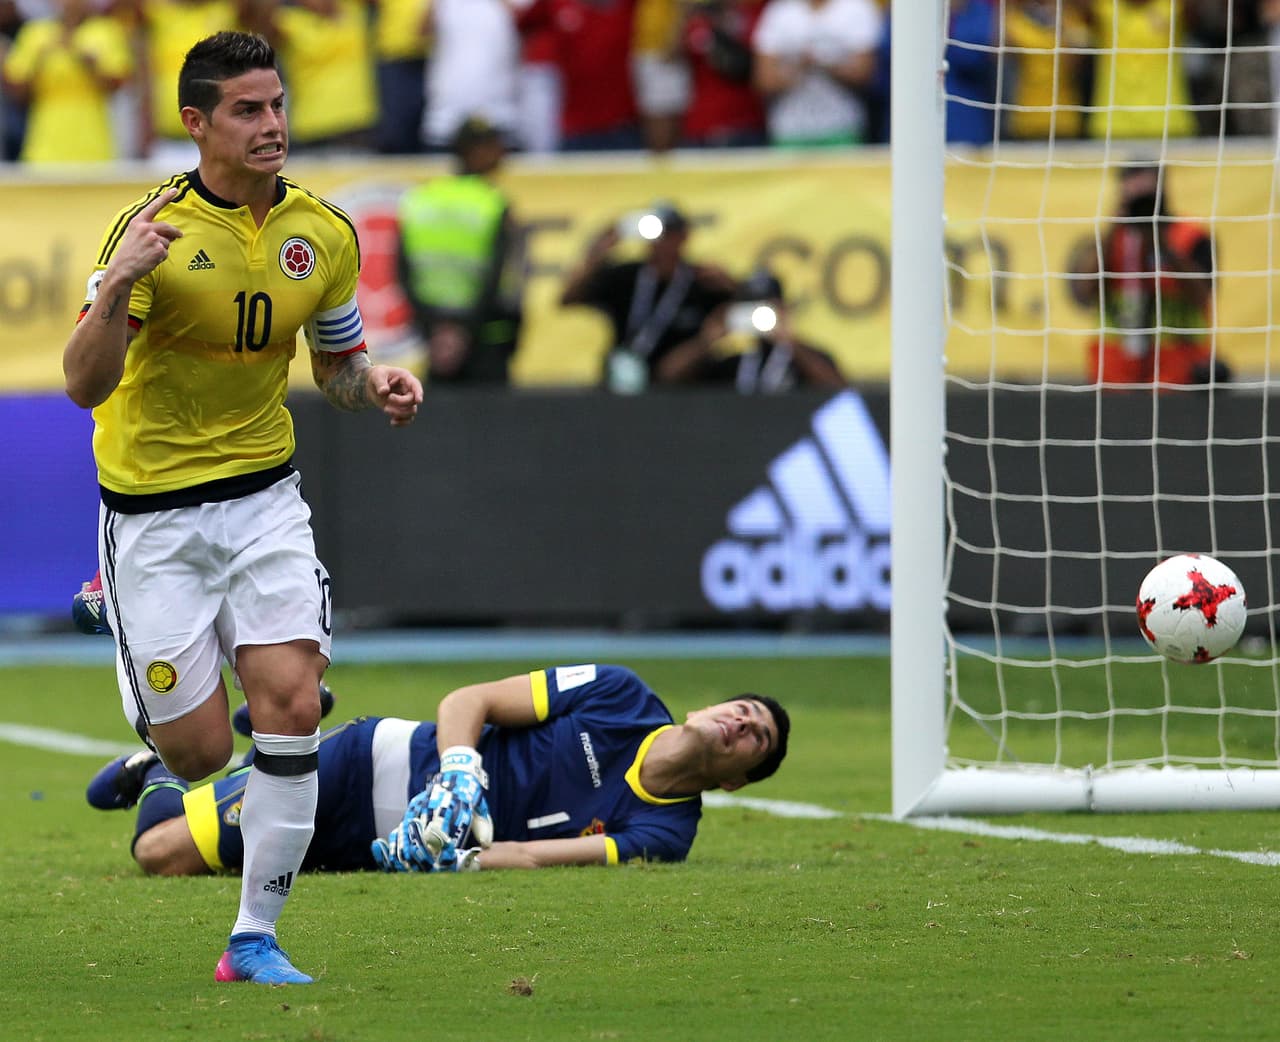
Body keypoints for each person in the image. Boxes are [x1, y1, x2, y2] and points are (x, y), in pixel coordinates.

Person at [61, 31, 424, 986]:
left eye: (277, 106)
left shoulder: (325, 234)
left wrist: (374, 382)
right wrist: (123, 284)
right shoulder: (151, 233)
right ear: (198, 123)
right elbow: (83, 384)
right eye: (248, 111)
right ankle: (125, 627)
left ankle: (253, 940)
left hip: (265, 498)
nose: (272, 127)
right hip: (154, 516)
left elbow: (336, 369)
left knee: (293, 709)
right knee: (200, 753)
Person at [85, 664, 790, 878]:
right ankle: (158, 772)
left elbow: (537, 855)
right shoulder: (620, 696)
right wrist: (459, 771)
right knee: (160, 853)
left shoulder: (665, 831)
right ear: (711, 705)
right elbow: (469, 700)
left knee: (192, 854)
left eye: (754, 736)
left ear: (735, 779)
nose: (742, 721)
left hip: (392, 848)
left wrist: (455, 860)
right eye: (744, 707)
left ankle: (272, 742)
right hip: (372, 765)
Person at [1068, 162, 1224, 386]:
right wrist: (1114, 226)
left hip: (1179, 366)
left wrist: (1163, 245)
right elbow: (1084, 292)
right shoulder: (1109, 240)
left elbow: (1202, 296)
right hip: (1116, 369)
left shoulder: (1192, 236)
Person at [397, 115, 526, 384]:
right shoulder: (493, 203)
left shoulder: (422, 198)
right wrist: (463, 330)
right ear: (473, 152)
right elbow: (502, 276)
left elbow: (402, 270)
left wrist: (435, 327)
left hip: (435, 339)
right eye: (493, 146)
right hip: (487, 336)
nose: (501, 154)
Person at [559, 202, 736, 392]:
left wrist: (734, 287)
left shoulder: (702, 281)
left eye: (668, 234)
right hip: (624, 380)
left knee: (677, 368)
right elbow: (568, 298)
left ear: (683, 236)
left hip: (682, 386)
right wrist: (601, 249)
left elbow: (750, 313)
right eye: (655, 234)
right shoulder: (627, 276)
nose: (661, 242)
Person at [656, 269, 845, 391]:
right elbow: (667, 375)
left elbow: (837, 389)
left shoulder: (805, 359)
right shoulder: (732, 362)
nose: (758, 315)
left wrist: (791, 344)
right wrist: (705, 341)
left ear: (782, 310)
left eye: (765, 308)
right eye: (751, 307)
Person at [2, 0, 134, 164]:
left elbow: (119, 84)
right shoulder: (35, 33)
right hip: (45, 144)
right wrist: (39, 62)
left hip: (93, 145)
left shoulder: (106, 31)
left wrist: (90, 65)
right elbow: (17, 93)